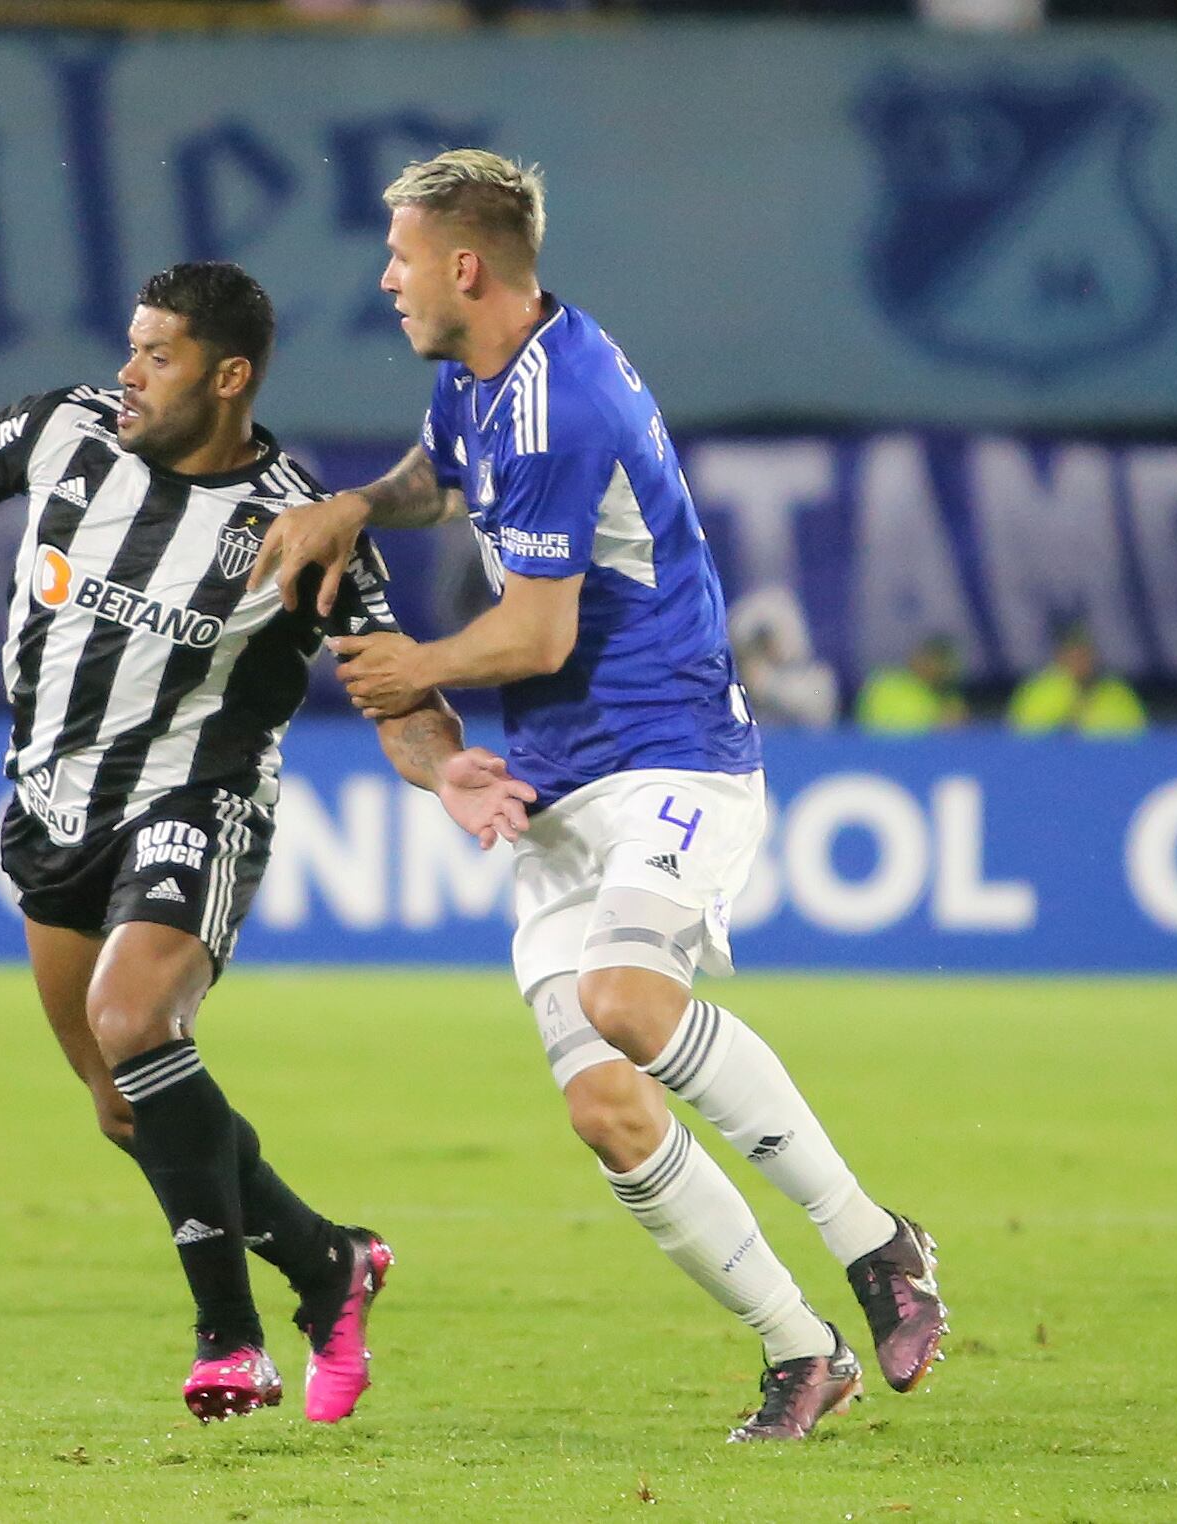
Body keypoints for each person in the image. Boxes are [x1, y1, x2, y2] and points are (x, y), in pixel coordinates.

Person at [0, 261, 535, 1424]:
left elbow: (392, 691)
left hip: (198, 800)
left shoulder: (290, 525)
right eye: (128, 346)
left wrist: (444, 769)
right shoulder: (63, 433)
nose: (128, 374)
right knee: (122, 1102)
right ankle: (327, 1262)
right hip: (50, 809)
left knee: (135, 1020)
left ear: (229, 376)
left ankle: (229, 1340)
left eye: (157, 355)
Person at [253, 150, 946, 1442]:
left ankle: (875, 1243)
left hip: (670, 756)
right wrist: (358, 506)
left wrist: (415, 667)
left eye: (400, 257)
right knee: (603, 1107)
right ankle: (801, 1352)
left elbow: (536, 637)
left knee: (627, 1005)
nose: (385, 278)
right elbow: (439, 476)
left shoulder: (560, 403)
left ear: (467, 265)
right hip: (561, 787)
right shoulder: (485, 378)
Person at [1006, 621, 1145, 736]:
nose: (1081, 661)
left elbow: (1138, 736)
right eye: (1074, 654)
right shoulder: (1038, 691)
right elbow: (1021, 737)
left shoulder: (1116, 692)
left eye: (1085, 654)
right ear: (1060, 656)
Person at [728, 586, 839, 729]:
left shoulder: (817, 680)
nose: (767, 648)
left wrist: (766, 686)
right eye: (759, 644)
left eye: (767, 640)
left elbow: (816, 706)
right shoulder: (729, 686)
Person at [854, 634, 968, 734]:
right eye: (931, 659)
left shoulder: (949, 698)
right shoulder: (886, 683)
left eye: (942, 663)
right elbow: (879, 724)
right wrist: (934, 725)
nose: (935, 667)